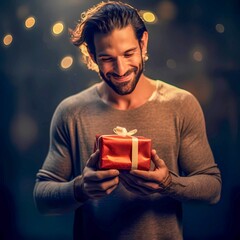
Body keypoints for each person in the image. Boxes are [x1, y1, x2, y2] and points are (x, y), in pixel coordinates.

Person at [33, 1, 222, 239]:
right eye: (107, 58)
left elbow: (212, 189)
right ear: (92, 55)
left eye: (128, 53)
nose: (121, 69)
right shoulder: (71, 112)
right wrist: (81, 188)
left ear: (143, 43)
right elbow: (42, 198)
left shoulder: (181, 105)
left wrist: (168, 184)